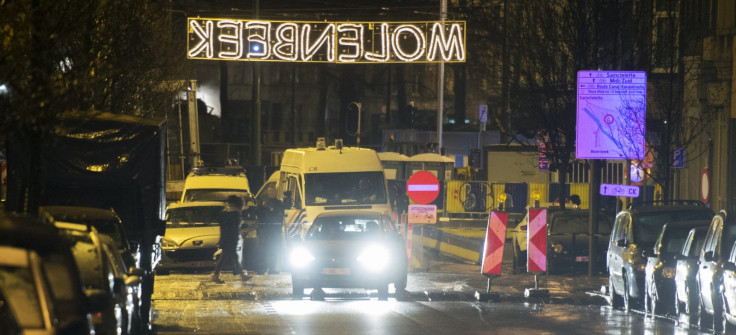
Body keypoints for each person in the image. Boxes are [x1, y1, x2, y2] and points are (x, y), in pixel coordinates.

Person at [212, 195, 252, 284]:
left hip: (226, 239)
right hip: (231, 240)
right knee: (233, 257)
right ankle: (242, 275)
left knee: (226, 258)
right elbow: (234, 229)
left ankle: (216, 275)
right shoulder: (235, 215)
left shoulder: (224, 215)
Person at [255, 185, 284, 274]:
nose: (271, 192)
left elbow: (280, 213)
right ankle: (261, 268)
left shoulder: (279, 203)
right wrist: (263, 206)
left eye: (273, 191)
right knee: (263, 250)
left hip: (275, 230)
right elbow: (257, 212)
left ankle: (272, 268)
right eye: (270, 191)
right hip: (265, 230)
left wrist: (273, 209)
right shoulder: (262, 202)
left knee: (273, 249)